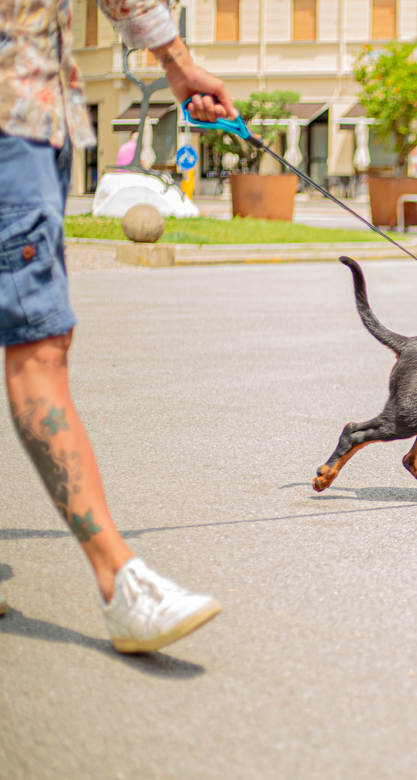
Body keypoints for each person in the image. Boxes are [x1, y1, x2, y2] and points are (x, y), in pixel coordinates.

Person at [1, 0, 236, 653]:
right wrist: (177, 62)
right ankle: (119, 583)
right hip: (13, 112)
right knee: (37, 348)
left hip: (26, 112)